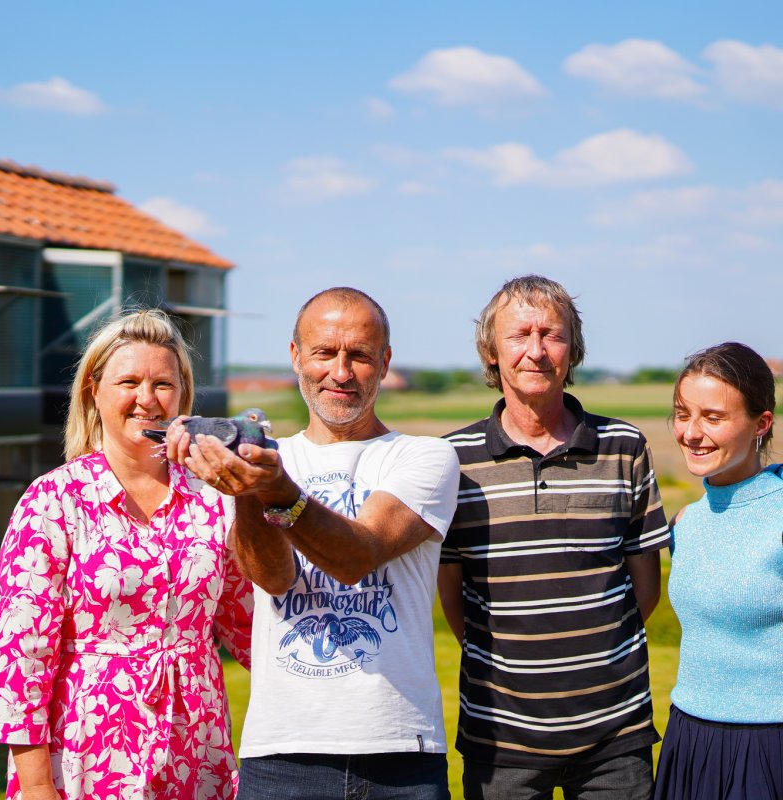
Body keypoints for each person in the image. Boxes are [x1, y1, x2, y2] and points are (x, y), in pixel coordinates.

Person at [166, 287, 461, 800]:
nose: (340, 372)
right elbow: (273, 577)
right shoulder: (268, 459)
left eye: (359, 355)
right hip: (282, 751)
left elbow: (357, 555)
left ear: (385, 362)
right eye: (324, 352)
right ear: (296, 356)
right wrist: (247, 488)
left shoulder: (425, 457)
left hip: (400, 750)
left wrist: (274, 487)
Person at [0, 309, 253, 800]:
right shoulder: (55, 501)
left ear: (183, 395)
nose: (147, 399)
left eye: (163, 384)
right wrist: (38, 786)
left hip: (196, 753)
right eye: (129, 382)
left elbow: (251, 625)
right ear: (95, 390)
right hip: (86, 756)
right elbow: (18, 659)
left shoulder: (215, 500)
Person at [438, 275, 671, 800]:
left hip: (616, 737)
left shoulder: (624, 446)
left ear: (574, 349)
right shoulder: (453, 460)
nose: (537, 351)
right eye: (519, 335)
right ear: (491, 351)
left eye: (552, 335)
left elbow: (645, 589)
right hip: (500, 740)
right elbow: (453, 596)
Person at [653, 342, 782, 800]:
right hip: (690, 739)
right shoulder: (685, 523)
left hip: (769, 746)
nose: (691, 432)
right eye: (682, 414)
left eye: (713, 417)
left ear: (761, 424)